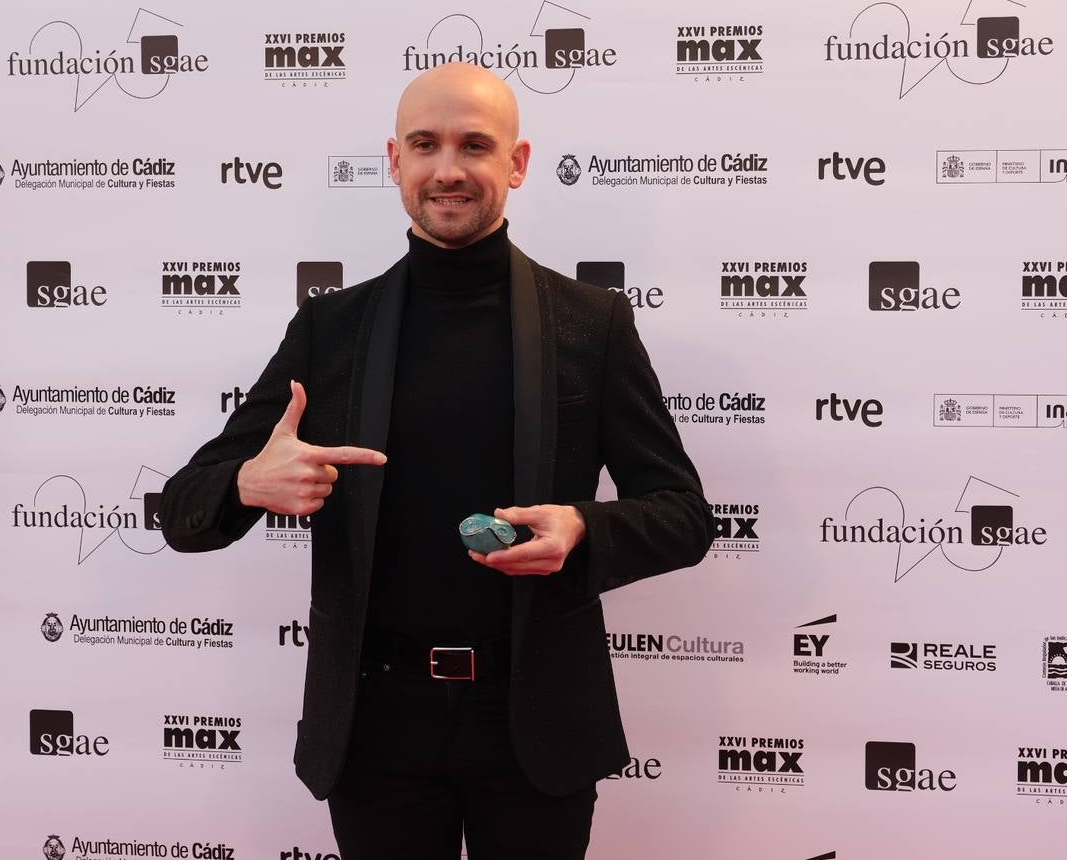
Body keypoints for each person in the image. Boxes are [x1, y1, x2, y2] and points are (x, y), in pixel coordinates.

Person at [160, 62, 714, 860]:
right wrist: (248, 484)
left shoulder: (590, 326)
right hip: (376, 730)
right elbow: (184, 509)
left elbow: (684, 515)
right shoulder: (331, 330)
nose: (448, 169)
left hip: (536, 728)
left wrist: (581, 529)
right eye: (425, 144)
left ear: (516, 164)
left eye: (474, 145)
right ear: (395, 160)